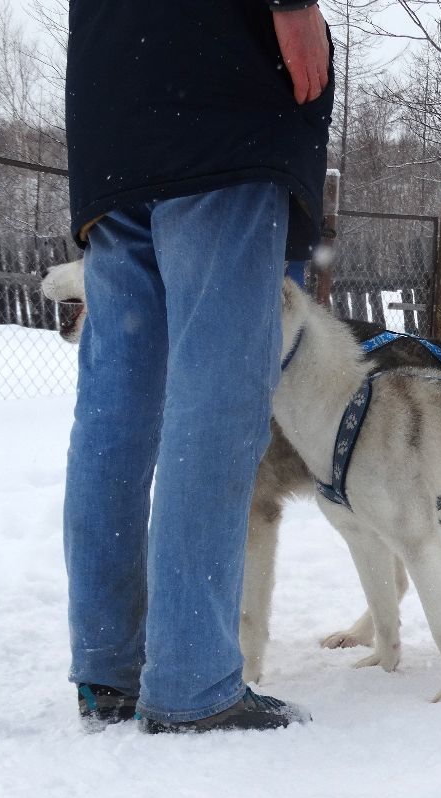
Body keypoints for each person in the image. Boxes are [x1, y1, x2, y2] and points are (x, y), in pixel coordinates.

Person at [65, 0, 333, 732]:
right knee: (215, 397)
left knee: (116, 408)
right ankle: (190, 681)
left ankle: (108, 666)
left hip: (112, 108)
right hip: (218, 96)